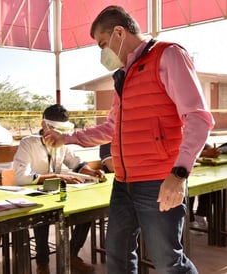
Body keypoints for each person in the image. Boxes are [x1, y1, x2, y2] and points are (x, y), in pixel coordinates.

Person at [43, 6, 215, 274]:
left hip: (158, 180)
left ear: (119, 33)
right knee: (118, 256)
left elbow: (198, 118)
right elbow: (112, 128)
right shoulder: (124, 75)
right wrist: (67, 137)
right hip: (123, 183)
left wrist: (179, 174)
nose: (102, 54)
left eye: (102, 44)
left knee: (168, 262)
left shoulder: (168, 55)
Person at [14, 104, 105, 274]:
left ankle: (72, 255)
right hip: (33, 194)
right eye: (55, 129)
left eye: (62, 131)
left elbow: (76, 163)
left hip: (56, 193)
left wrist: (92, 172)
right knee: (42, 218)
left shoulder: (62, 142)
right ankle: (43, 264)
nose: (58, 134)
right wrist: (60, 177)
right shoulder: (28, 143)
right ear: (44, 125)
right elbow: (21, 177)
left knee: (86, 214)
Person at [189, 144, 221, 227]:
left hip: (195, 166)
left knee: (212, 180)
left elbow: (202, 142)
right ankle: (189, 219)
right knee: (188, 184)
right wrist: (203, 153)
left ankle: (201, 215)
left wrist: (210, 149)